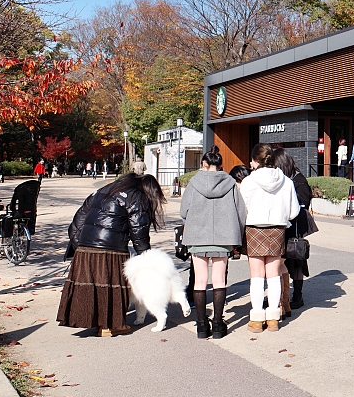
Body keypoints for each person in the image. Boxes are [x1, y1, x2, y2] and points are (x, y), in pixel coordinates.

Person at [58, 174, 165, 336]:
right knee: (109, 285)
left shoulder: (102, 191)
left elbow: (78, 219)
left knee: (92, 286)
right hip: (111, 248)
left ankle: (93, 322)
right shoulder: (136, 196)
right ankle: (108, 325)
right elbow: (139, 231)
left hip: (85, 246)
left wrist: (80, 244)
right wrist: (147, 257)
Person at [180, 147, 246, 339]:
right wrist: (237, 236)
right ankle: (217, 324)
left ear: (204, 165)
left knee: (200, 281)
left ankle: (201, 325)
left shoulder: (194, 183)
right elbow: (241, 213)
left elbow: (184, 211)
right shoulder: (231, 183)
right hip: (224, 237)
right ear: (221, 166)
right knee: (219, 280)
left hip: (198, 236)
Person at [239, 144, 300, 333]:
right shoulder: (286, 182)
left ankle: (257, 319)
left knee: (256, 277)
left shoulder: (249, 182)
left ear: (256, 160)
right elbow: (294, 212)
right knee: (274, 275)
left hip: (254, 229)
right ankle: (274, 318)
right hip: (277, 230)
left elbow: (242, 210)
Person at [273, 150, 318, 315]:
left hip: (295, 226)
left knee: (297, 261)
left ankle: (297, 295)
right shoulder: (286, 179)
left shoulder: (298, 180)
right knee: (282, 261)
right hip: (284, 224)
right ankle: (280, 295)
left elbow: (303, 203)